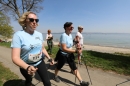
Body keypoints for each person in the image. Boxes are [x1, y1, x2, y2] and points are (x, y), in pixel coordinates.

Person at [11, 11, 54, 86]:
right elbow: (15, 57)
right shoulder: (18, 35)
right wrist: (27, 67)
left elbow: (42, 48)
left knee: (47, 82)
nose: (34, 22)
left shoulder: (39, 34)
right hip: (26, 65)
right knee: (28, 81)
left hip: (39, 62)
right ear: (25, 21)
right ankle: (28, 82)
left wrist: (49, 58)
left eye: (36, 20)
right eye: (31, 20)